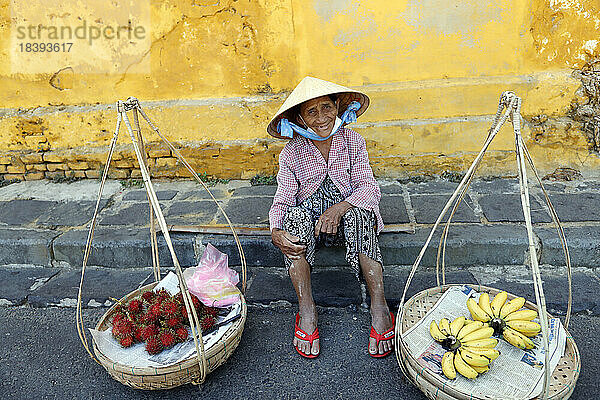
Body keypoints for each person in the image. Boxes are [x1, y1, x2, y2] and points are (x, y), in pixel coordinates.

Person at [267, 76, 394, 359]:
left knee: (361, 216)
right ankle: (307, 309)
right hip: (312, 223)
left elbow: (368, 187)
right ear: (300, 118)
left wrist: (339, 208)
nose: (321, 118)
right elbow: (284, 197)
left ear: (338, 106)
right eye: (311, 112)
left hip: (349, 216)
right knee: (293, 220)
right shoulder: (291, 152)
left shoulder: (353, 141)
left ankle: (379, 306)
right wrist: (276, 231)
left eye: (327, 107)